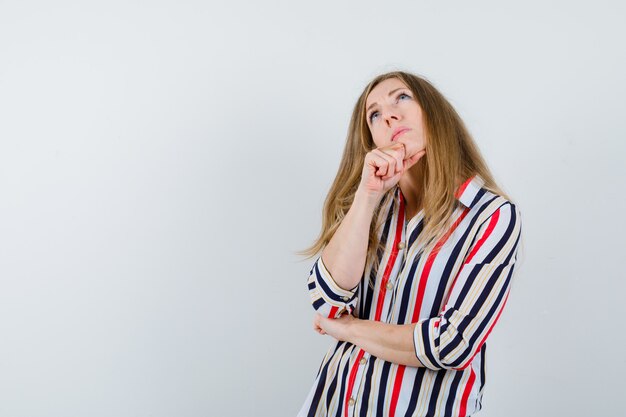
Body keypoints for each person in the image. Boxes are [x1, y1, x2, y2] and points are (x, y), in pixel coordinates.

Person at [296, 71, 523, 417]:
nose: (388, 114)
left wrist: (348, 327)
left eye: (401, 97)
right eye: (374, 114)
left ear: (433, 112)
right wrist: (367, 195)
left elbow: (452, 343)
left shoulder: (491, 216)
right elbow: (326, 300)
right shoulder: (370, 206)